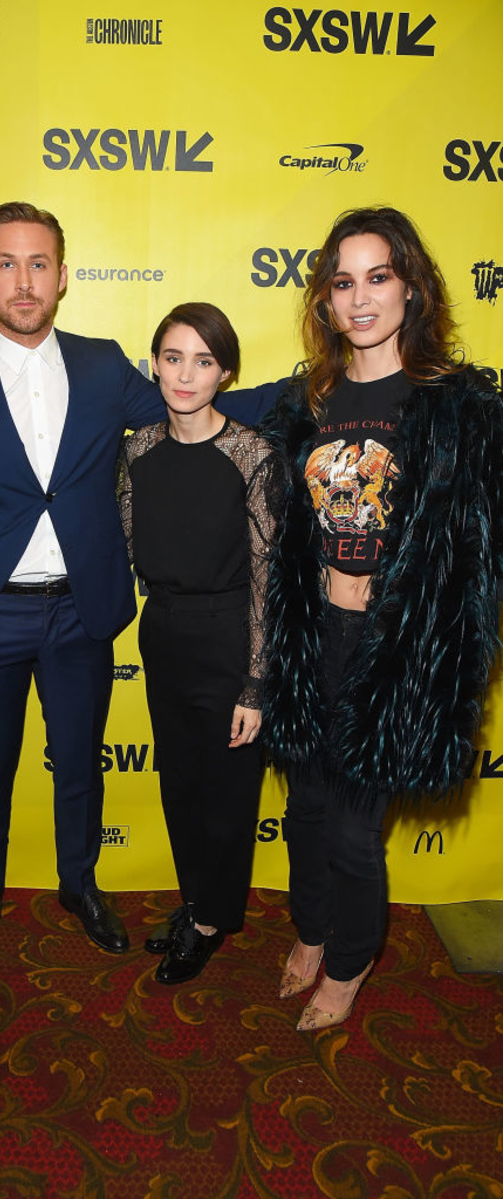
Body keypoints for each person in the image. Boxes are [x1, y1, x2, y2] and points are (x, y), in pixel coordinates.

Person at [0, 201, 281, 981]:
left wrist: (319, 383)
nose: (23, 279)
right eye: (5, 263)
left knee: (79, 764)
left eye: (38, 263)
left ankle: (81, 887)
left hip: (82, 611)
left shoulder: (105, 364)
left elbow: (198, 411)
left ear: (64, 275)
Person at [260, 206, 503, 1030]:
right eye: (343, 281)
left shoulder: (456, 407)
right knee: (304, 810)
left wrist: (442, 643)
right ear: (325, 299)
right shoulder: (306, 402)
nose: (361, 298)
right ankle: (313, 927)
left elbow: (479, 551)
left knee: (358, 833)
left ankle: (352, 962)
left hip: (393, 647)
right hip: (310, 636)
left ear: (411, 286)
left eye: (378, 276)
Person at [116, 304, 284, 983]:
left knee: (227, 793)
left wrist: (254, 683)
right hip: (164, 633)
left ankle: (214, 918)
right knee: (181, 784)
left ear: (227, 372)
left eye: (204, 360)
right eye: (173, 356)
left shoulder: (252, 454)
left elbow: (266, 580)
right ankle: (198, 902)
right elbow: (129, 541)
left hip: (229, 636)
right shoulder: (137, 449)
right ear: (153, 362)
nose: (186, 374)